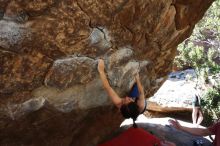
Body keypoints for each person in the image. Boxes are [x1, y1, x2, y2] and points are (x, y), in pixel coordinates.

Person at [98, 59, 146, 128]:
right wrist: (137, 78)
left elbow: (108, 88)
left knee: (133, 93)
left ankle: (132, 97)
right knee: (138, 87)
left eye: (125, 101)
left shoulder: (119, 104)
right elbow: (141, 92)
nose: (126, 97)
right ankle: (133, 94)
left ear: (122, 106)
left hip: (131, 103)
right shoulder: (140, 106)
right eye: (129, 100)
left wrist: (101, 70)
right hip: (137, 102)